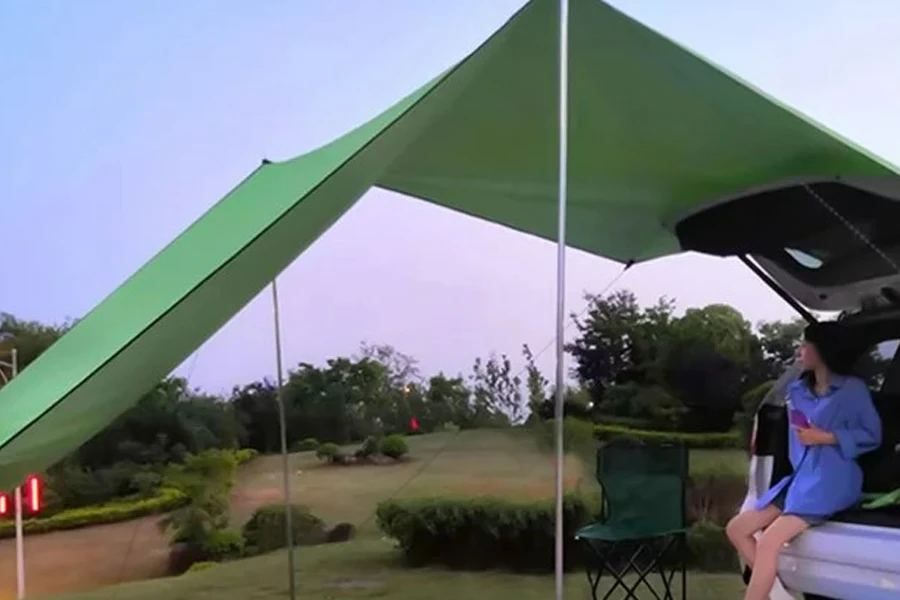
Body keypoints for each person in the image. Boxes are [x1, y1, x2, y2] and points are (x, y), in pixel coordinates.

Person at [726, 321, 882, 600]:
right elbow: (795, 441)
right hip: (802, 477)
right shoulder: (796, 392)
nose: (800, 351)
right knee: (737, 529)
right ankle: (775, 590)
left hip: (833, 479)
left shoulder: (853, 390)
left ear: (823, 351)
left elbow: (872, 435)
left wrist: (827, 437)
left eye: (806, 345)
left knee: (769, 542)